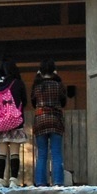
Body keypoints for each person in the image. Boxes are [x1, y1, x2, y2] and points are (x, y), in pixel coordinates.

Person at [0, 57, 28, 187]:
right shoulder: (18, 83)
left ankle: (0, 180)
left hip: (0, 122)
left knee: (1, 152)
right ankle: (13, 179)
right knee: (15, 151)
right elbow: (25, 101)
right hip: (15, 121)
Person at [31, 58, 67, 186]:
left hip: (40, 119)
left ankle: (40, 182)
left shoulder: (37, 86)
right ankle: (58, 182)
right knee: (56, 152)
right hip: (56, 120)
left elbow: (33, 102)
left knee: (42, 153)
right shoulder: (58, 85)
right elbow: (63, 102)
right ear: (54, 70)